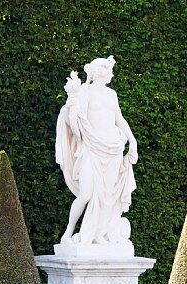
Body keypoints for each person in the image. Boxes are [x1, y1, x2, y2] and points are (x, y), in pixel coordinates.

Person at [55, 56, 138, 248]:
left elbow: (119, 119)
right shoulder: (84, 92)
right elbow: (75, 125)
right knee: (85, 194)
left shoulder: (112, 94)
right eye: (109, 69)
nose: (112, 73)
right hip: (92, 149)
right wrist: (72, 106)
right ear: (101, 72)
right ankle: (68, 232)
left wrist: (132, 140)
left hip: (113, 149)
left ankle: (99, 234)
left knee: (108, 196)